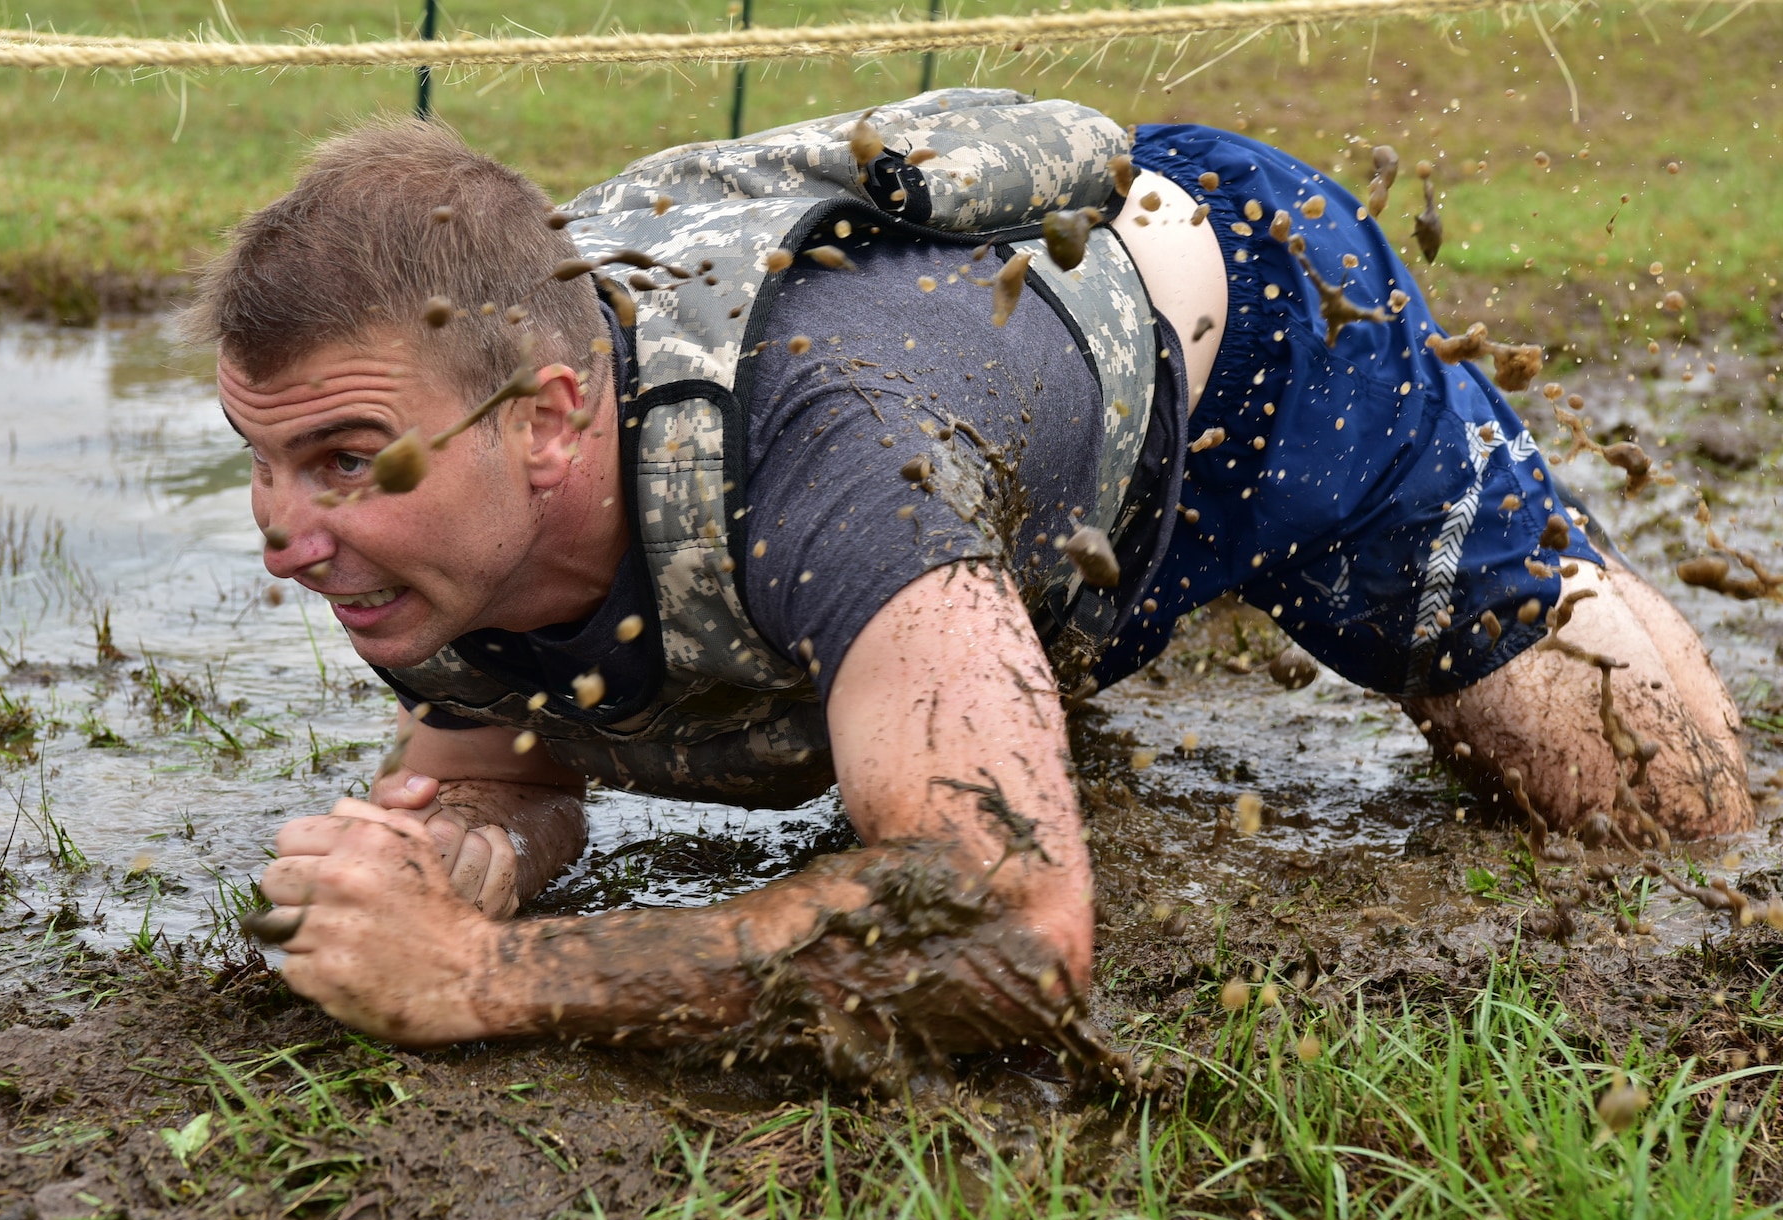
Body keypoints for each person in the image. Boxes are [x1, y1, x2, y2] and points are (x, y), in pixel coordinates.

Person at [190, 93, 1751, 1067]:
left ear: (547, 424)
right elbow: (503, 762)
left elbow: (1012, 933)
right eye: (261, 462)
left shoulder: (827, 465)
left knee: (1663, 807)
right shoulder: (430, 528)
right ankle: (994, 671)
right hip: (979, 458)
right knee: (947, 675)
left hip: (1254, 346)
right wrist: (467, 848)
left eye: (337, 461)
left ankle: (1562, 560)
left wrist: (487, 974)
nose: (283, 533)